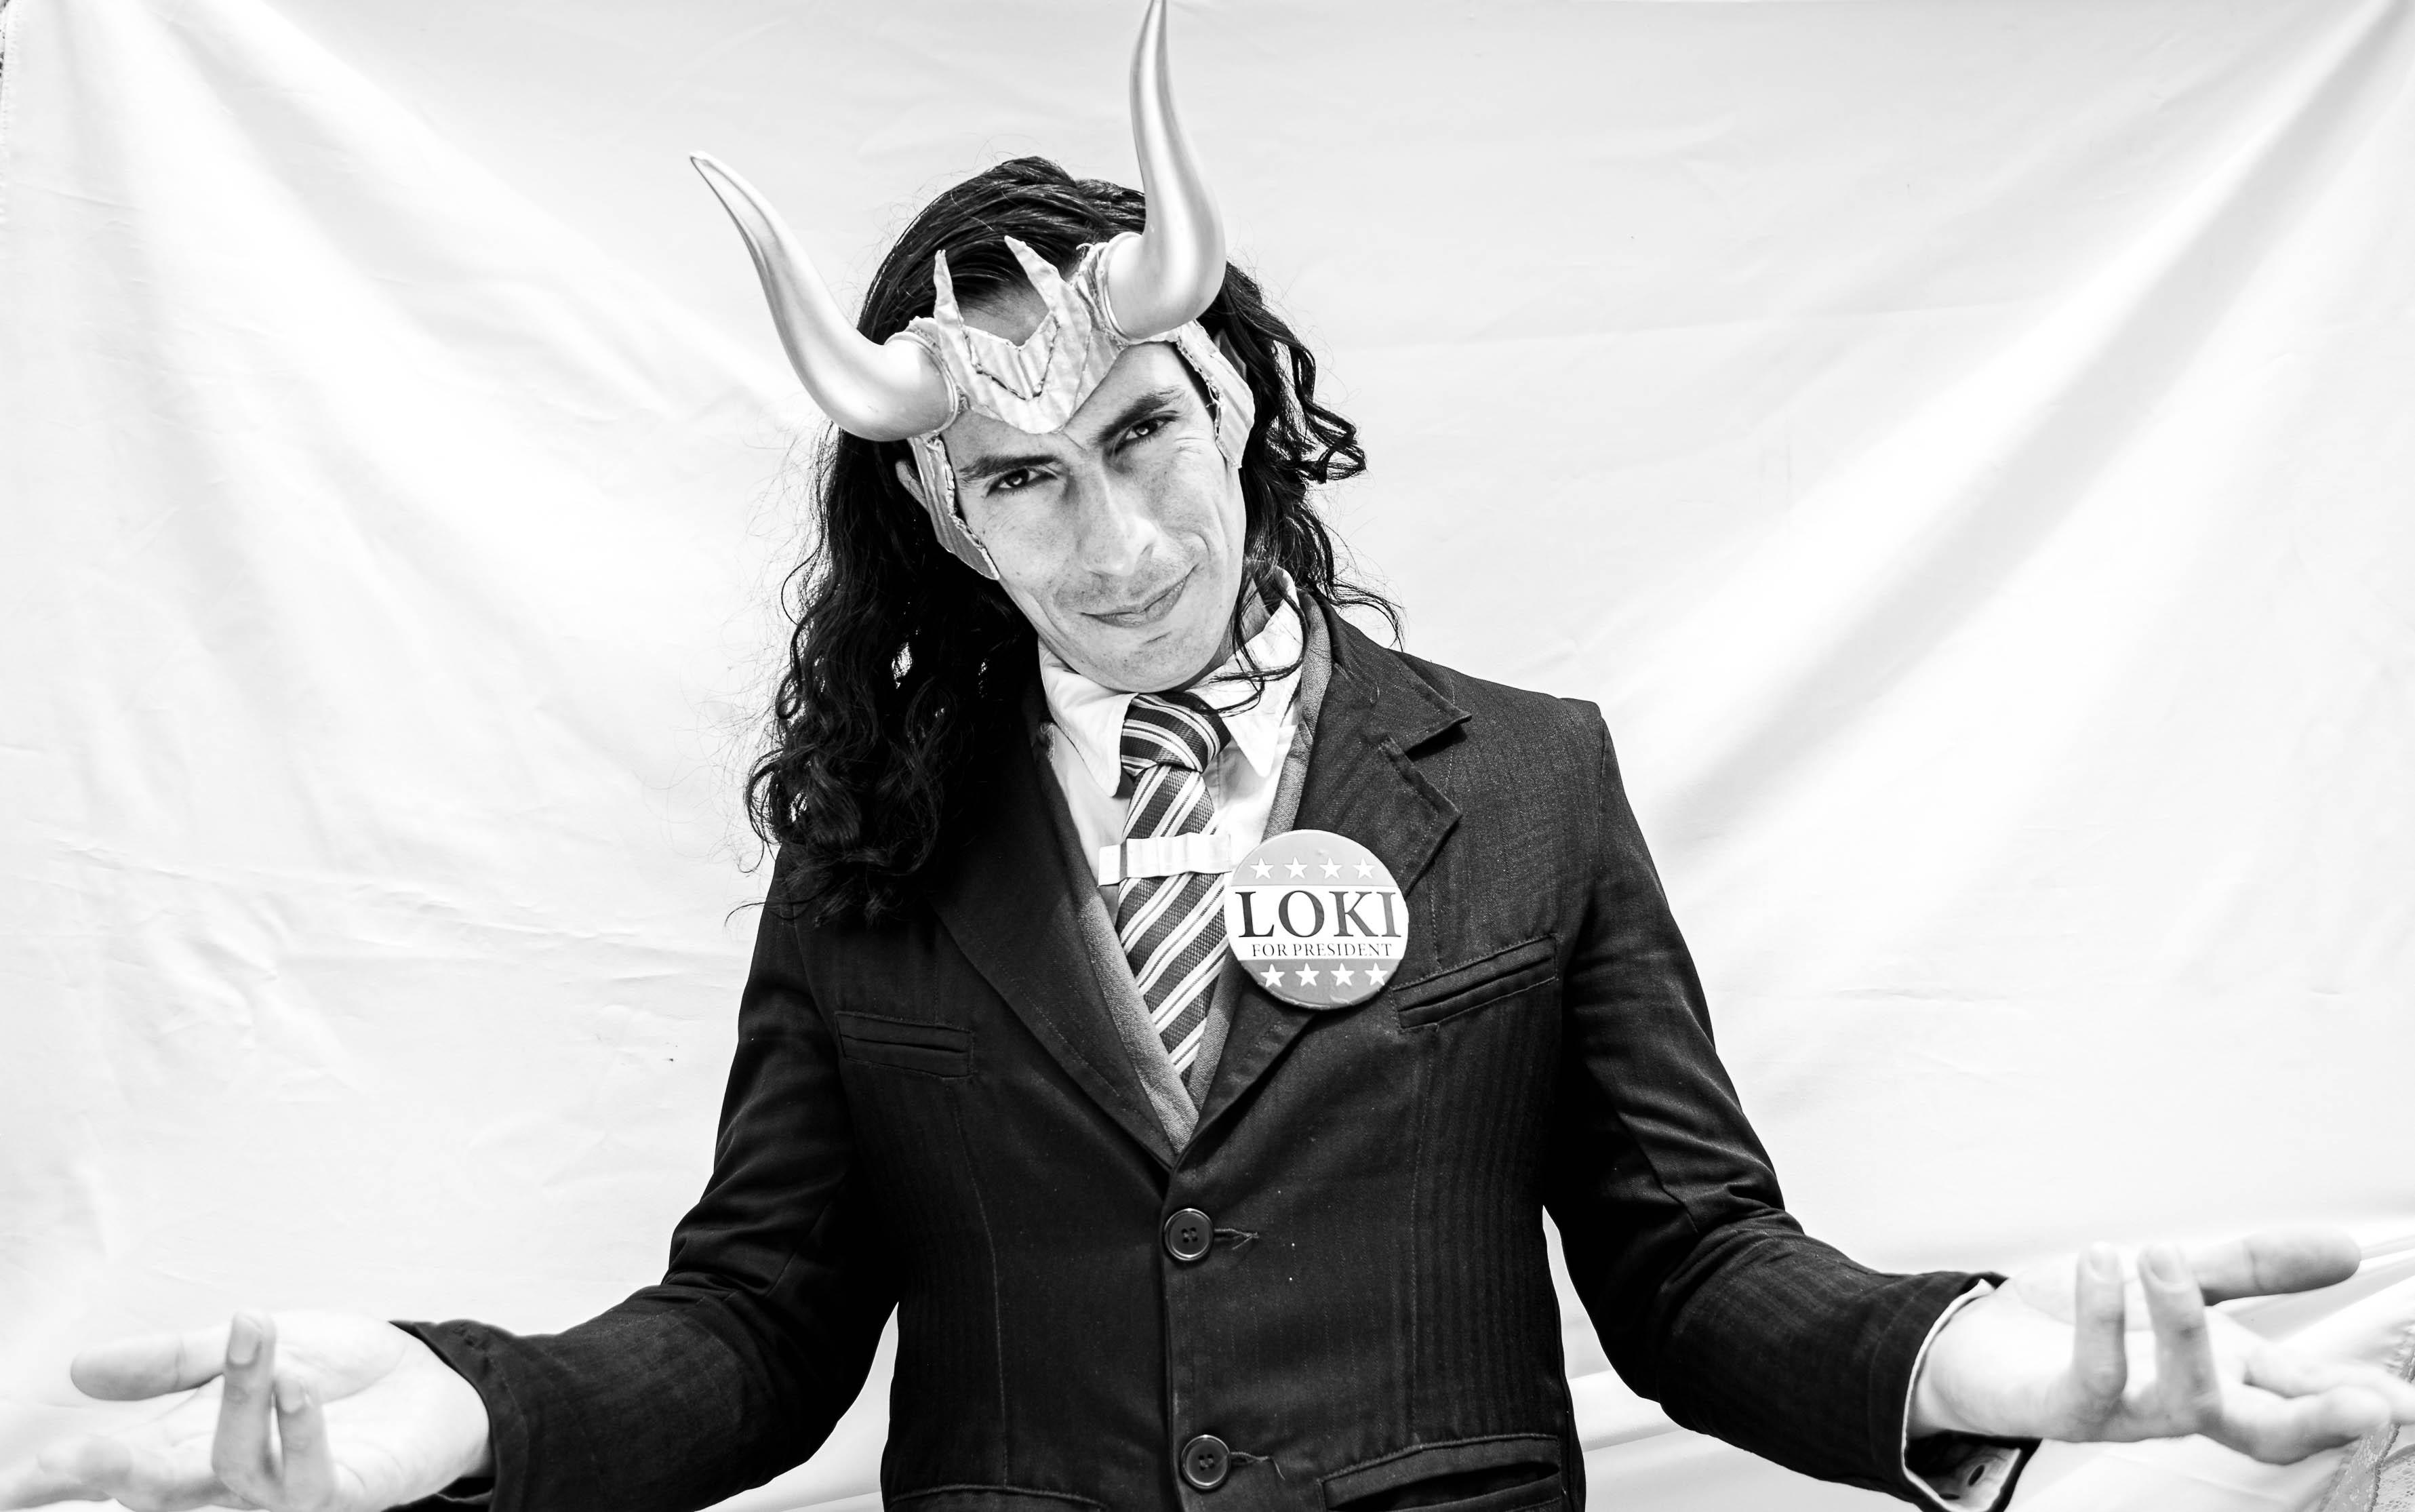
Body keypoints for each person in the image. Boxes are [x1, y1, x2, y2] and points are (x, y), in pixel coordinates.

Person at [5, 5, 2410, 1511]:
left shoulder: (1532, 785)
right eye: (1022, 483)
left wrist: (1990, 1359)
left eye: (1142, 434)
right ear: (944, 518)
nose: (1116, 538)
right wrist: (468, 1412)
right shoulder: (873, 852)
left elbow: (1690, 1273)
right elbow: (755, 1329)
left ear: (1238, 401)